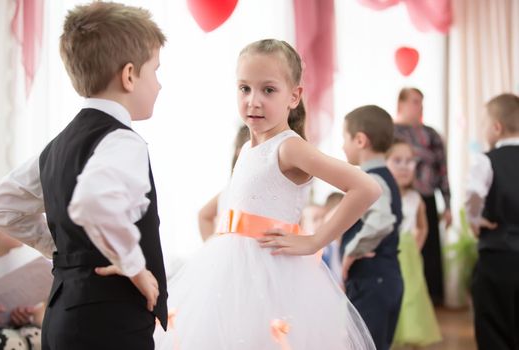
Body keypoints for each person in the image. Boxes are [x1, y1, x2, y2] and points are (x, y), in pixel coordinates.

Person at [156, 39, 380, 349]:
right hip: (232, 275)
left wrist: (316, 240)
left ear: (294, 96)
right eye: (244, 88)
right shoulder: (248, 149)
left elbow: (366, 187)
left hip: (271, 276)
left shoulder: (289, 147)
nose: (253, 101)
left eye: (268, 90)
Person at [0, 3, 168, 349]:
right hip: (109, 324)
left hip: (61, 319)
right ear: (129, 75)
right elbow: (93, 201)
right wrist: (136, 267)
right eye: (156, 70)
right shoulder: (122, 141)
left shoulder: (55, 147)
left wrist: (65, 247)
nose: (159, 85)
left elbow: (1, 207)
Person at [340, 105, 403, 350]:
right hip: (383, 277)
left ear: (360, 140)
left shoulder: (372, 179)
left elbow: (382, 220)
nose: (342, 146)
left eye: (344, 139)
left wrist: (351, 252)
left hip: (373, 280)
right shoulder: (385, 175)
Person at [465, 93, 519, 349]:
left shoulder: (487, 160)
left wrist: (475, 219)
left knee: (492, 325)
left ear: (496, 127)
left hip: (498, 258)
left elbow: (473, 195)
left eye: (484, 123)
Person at [394, 87, 451, 305]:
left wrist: (447, 205)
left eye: (422, 102)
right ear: (401, 104)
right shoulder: (390, 132)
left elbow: (443, 170)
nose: (420, 106)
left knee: (428, 253)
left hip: (426, 197)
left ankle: (429, 300)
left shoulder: (432, 134)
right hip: (399, 197)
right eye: (415, 101)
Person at [386, 140, 441, 348]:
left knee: (411, 297)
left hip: (408, 256)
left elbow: (423, 227)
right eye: (397, 160)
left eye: (409, 161)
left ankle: (408, 338)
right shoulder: (382, 195)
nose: (404, 166)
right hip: (388, 253)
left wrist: (414, 245)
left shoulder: (415, 198)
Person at [198, 125, 249, 241]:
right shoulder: (232, 188)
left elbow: (203, 215)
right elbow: (203, 215)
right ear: (240, 151)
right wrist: (212, 249)